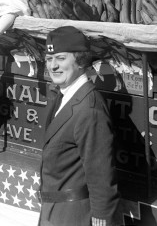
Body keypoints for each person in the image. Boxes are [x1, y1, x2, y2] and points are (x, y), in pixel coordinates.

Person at [39, 26, 120, 226]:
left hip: (74, 215)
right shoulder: (64, 96)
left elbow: (101, 174)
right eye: (49, 59)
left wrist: (103, 218)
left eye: (60, 58)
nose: (53, 66)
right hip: (55, 211)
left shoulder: (88, 108)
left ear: (81, 60)